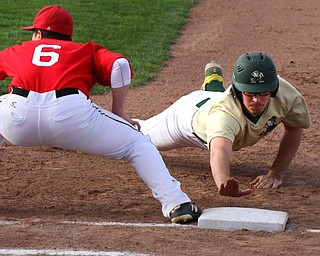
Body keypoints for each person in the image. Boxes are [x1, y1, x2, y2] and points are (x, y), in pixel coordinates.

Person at [0, 5, 202, 224]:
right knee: (137, 144)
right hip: (70, 115)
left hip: (16, 116)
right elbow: (120, 65)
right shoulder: (83, 50)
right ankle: (176, 204)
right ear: (67, 36)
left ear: (38, 34)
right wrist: (119, 112)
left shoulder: (19, 50)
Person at [137, 51, 311, 197]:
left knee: (218, 100)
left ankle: (213, 84)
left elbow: (294, 128)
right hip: (186, 118)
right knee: (139, 137)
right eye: (249, 93)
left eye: (263, 92)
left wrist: (276, 173)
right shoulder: (224, 114)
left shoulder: (287, 95)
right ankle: (117, 122)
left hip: (213, 103)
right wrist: (223, 181)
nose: (257, 99)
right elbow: (219, 150)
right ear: (237, 89)